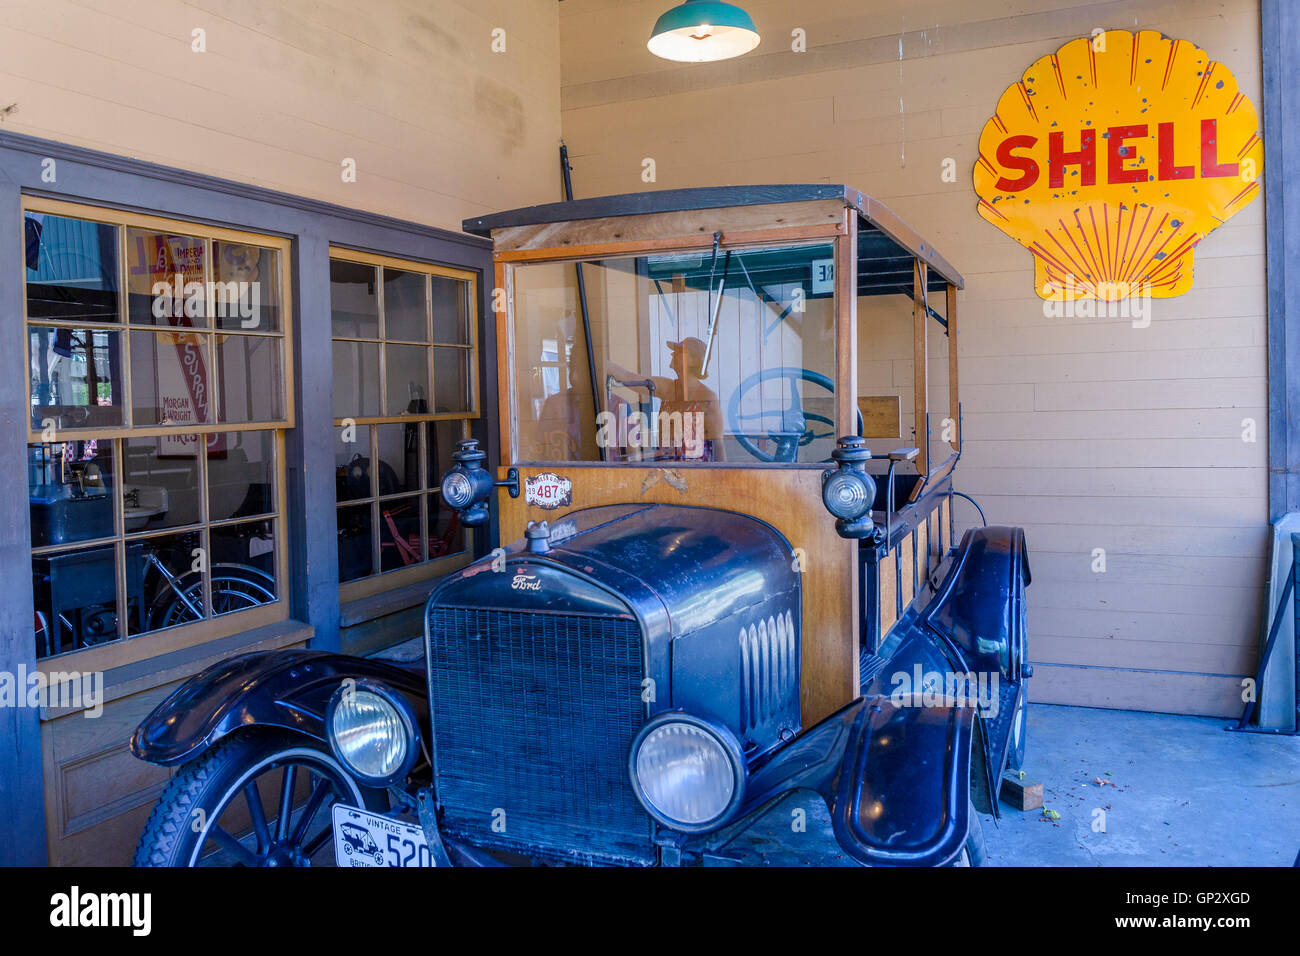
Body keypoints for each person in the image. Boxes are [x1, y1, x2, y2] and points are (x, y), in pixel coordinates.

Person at [607, 337, 726, 461]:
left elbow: (718, 445)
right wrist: (602, 363)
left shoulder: (707, 397)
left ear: (693, 361)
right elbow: (628, 377)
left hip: (695, 474)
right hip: (666, 471)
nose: (673, 353)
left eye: (680, 351)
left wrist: (724, 478)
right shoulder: (668, 387)